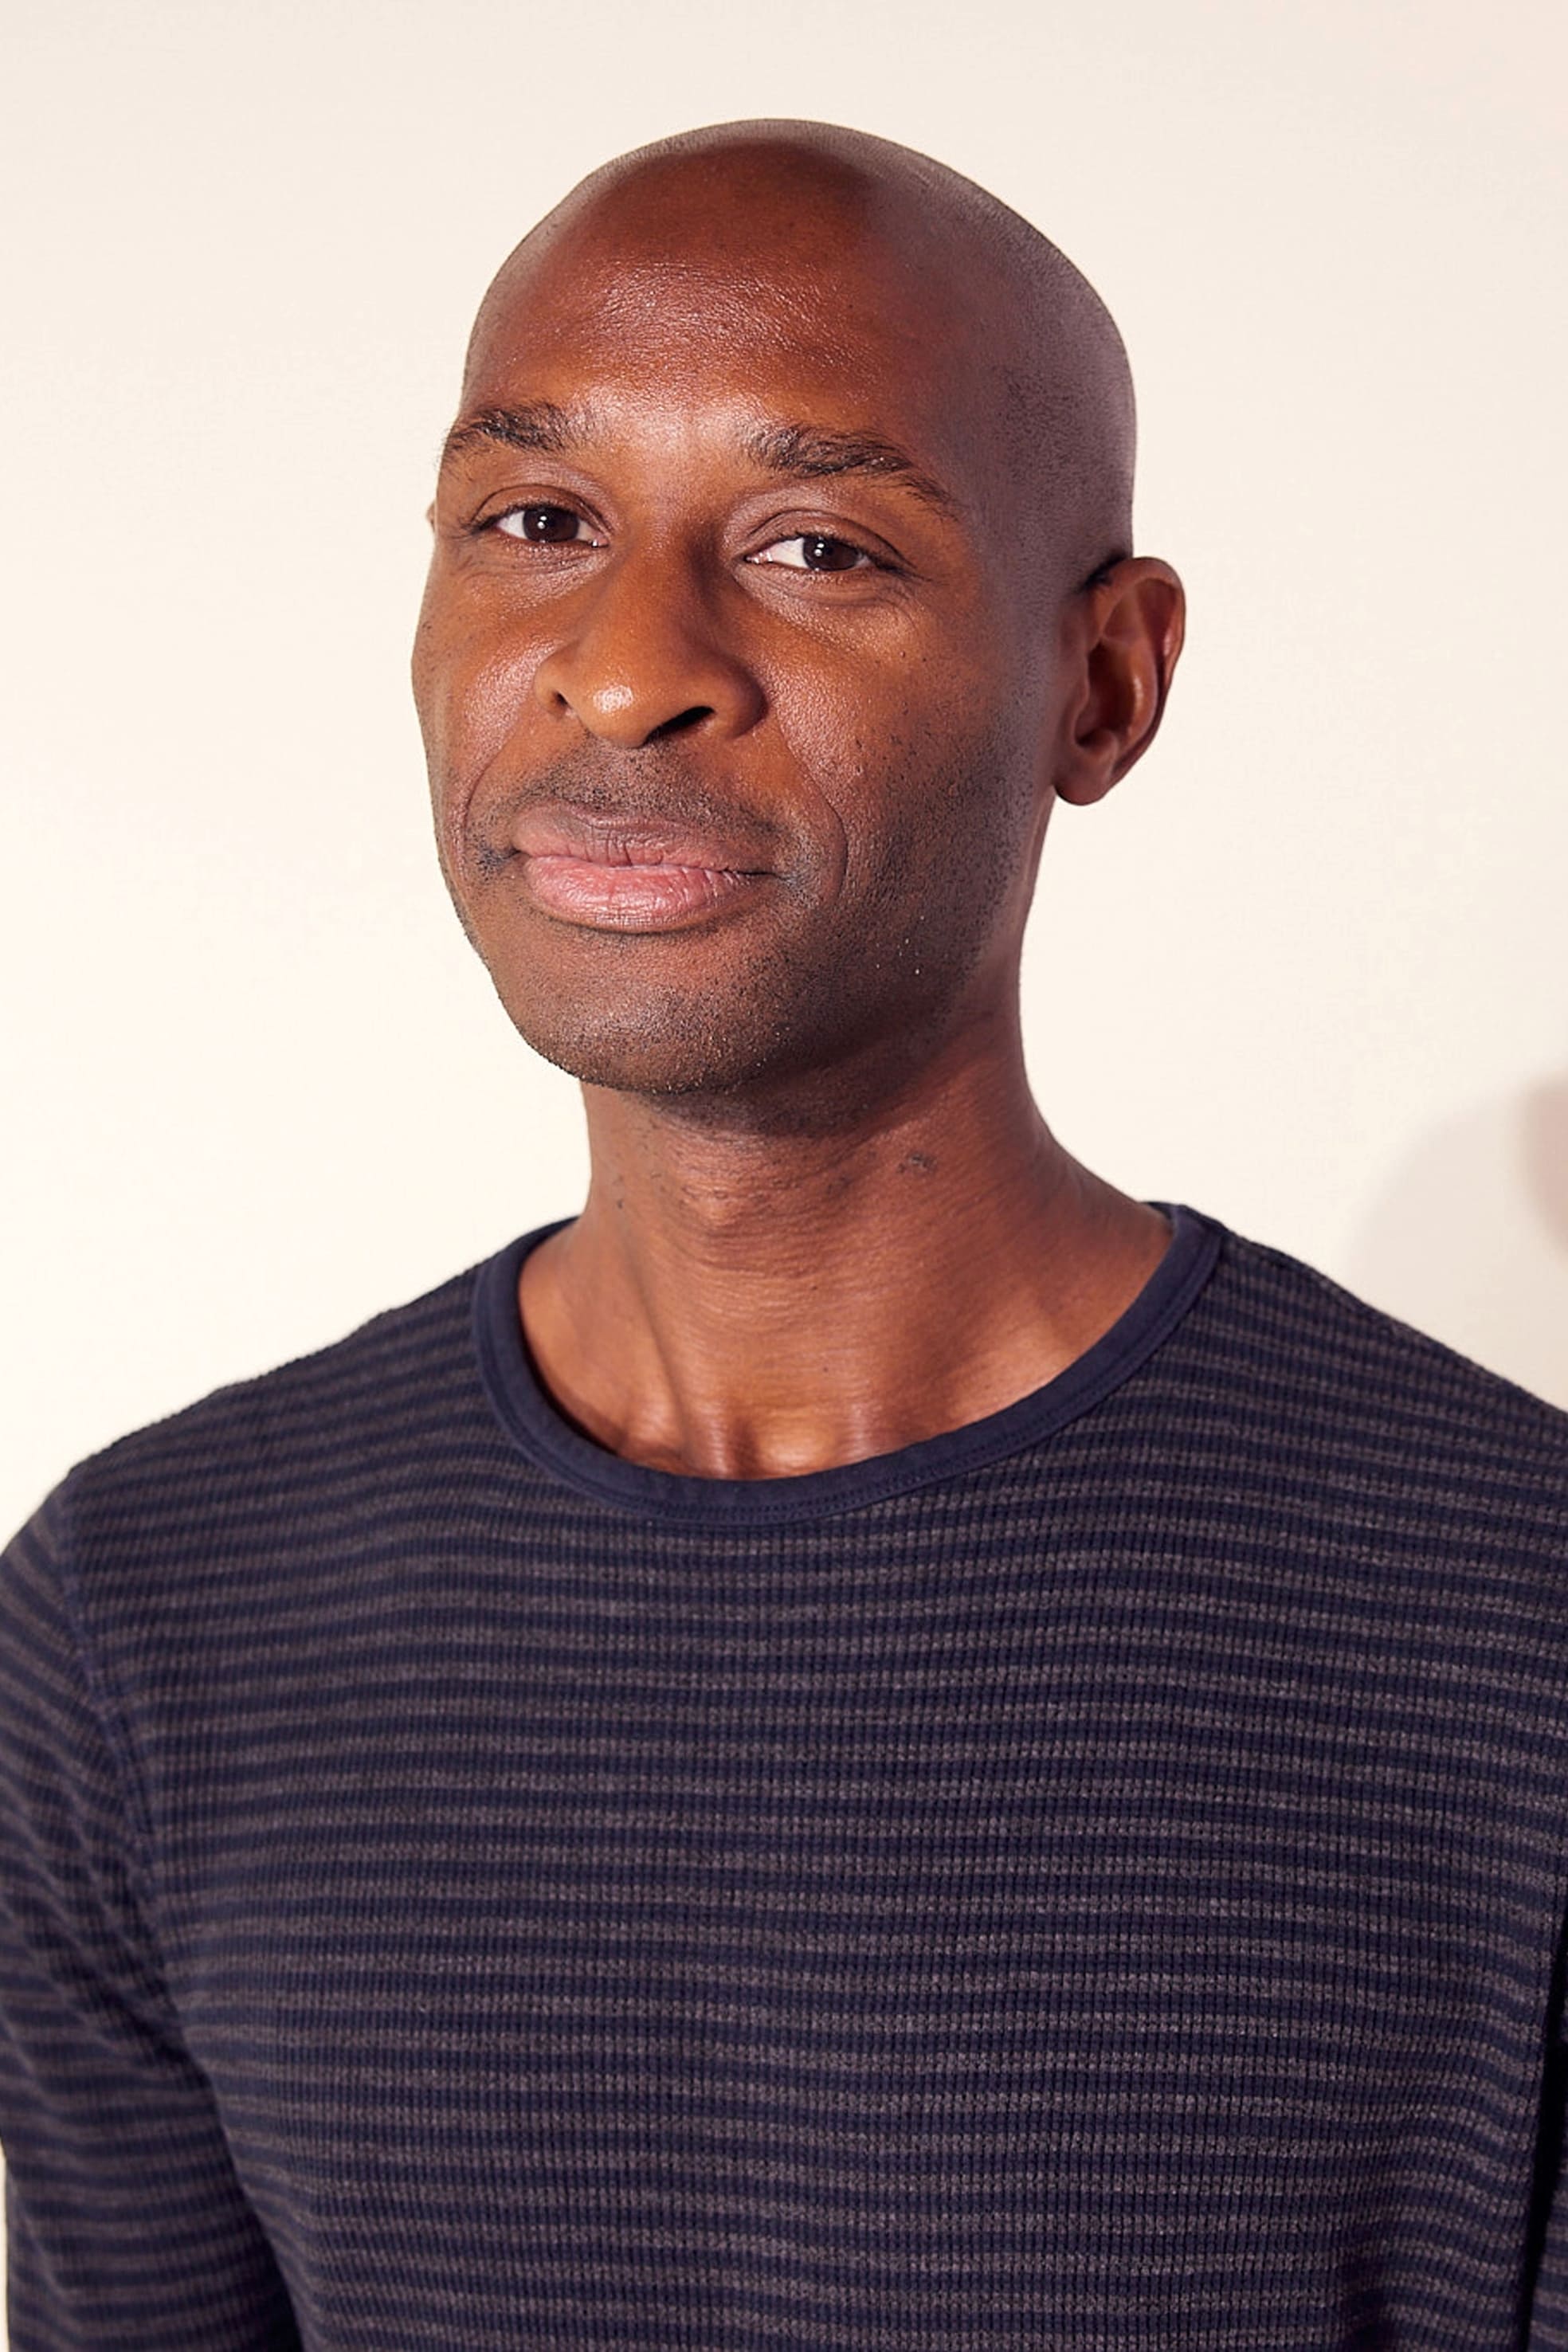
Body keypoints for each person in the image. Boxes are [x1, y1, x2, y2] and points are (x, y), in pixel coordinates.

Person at [2, 117, 1566, 2352]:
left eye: (818, 546)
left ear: (1105, 684)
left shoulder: (1513, 1631)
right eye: (537, 523)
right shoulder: (148, 1627)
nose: (623, 667)